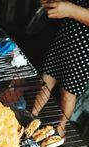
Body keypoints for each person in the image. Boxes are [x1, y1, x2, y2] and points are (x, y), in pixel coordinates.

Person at [32, 0, 89, 137]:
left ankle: (61, 127)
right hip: (65, 36)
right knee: (45, 82)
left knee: (68, 93)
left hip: (84, 49)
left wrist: (70, 10)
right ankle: (32, 116)